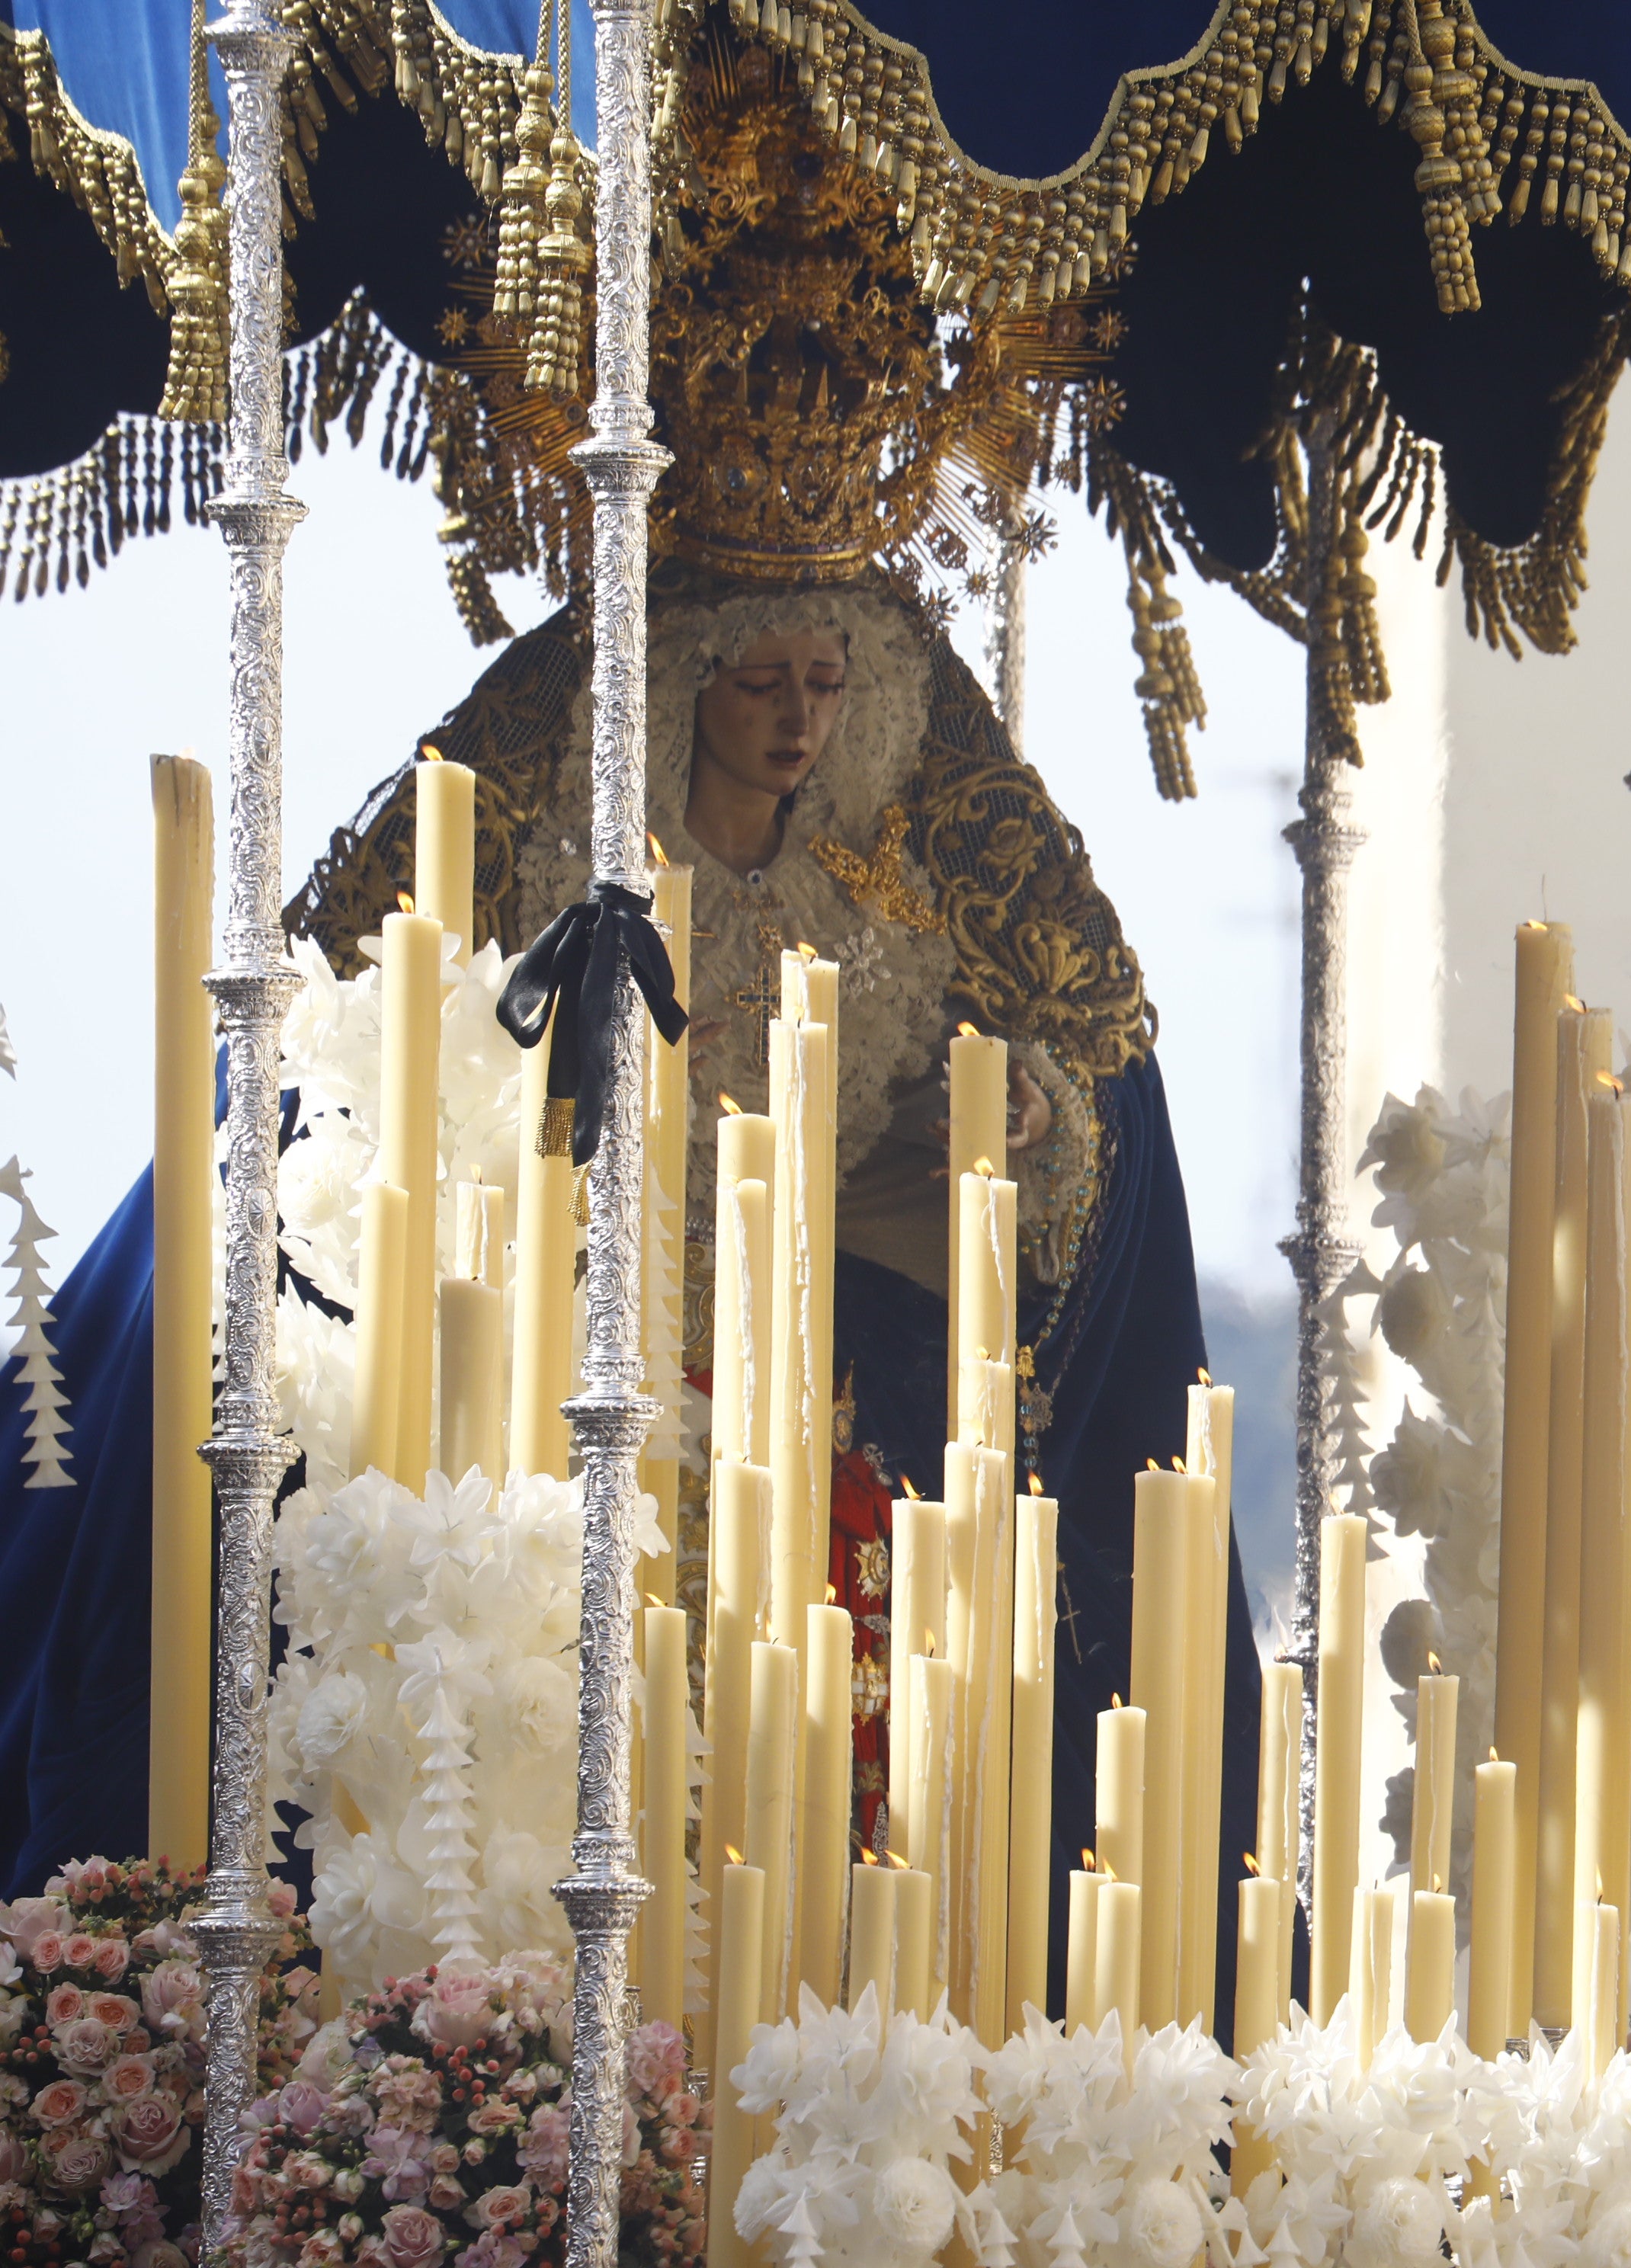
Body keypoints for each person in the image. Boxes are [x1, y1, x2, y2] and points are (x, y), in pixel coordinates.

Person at [0, 38, 1260, 2032]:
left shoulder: (942, 783)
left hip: (827, 1423)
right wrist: (509, 1086)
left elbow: (1091, 1065)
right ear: (678, 685)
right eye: (750, 676)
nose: (789, 715)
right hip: (521, 1415)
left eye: (817, 680)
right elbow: (325, 1056)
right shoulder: (542, 740)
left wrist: (1001, 1156)